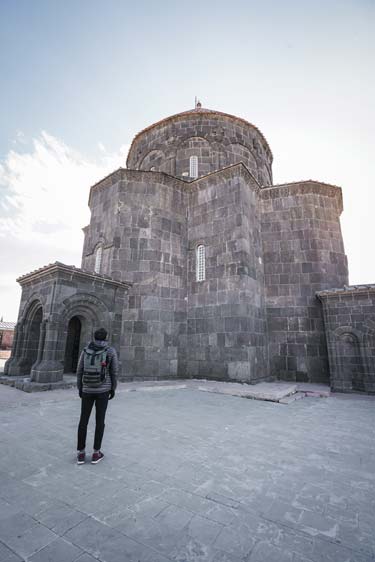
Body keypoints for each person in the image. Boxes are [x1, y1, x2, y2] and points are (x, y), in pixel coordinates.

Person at [76, 327, 118, 464]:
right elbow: (114, 372)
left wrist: (80, 388)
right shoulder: (110, 351)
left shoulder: (85, 350)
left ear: (94, 337)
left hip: (87, 390)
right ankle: (96, 453)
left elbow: (79, 370)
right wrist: (113, 388)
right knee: (100, 421)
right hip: (103, 391)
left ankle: (81, 454)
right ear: (106, 337)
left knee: (83, 421)